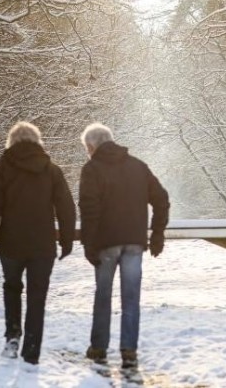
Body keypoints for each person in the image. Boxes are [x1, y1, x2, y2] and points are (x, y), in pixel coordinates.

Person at [0, 121, 76, 365]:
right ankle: (32, 350)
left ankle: (12, 337)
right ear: (37, 141)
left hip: (11, 242)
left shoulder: (2, 168)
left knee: (12, 287)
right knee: (37, 295)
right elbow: (65, 206)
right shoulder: (51, 169)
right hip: (42, 244)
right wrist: (66, 239)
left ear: (11, 141)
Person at [78, 123, 170, 369]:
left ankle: (98, 348)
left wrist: (89, 243)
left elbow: (89, 209)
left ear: (91, 146)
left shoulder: (91, 169)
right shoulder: (138, 167)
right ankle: (129, 350)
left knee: (103, 296)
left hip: (106, 243)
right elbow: (162, 199)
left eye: (87, 148)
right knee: (131, 297)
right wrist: (157, 233)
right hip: (134, 242)